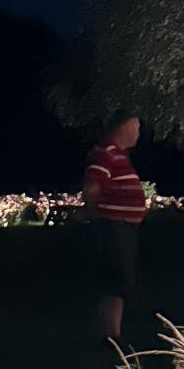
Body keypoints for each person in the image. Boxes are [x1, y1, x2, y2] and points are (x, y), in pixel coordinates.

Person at [82, 112, 146, 342]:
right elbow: (92, 187)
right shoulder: (106, 153)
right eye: (136, 127)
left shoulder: (118, 155)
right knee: (115, 282)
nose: (139, 134)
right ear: (125, 126)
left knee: (120, 281)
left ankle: (112, 334)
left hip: (122, 229)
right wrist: (93, 213)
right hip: (114, 227)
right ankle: (111, 337)